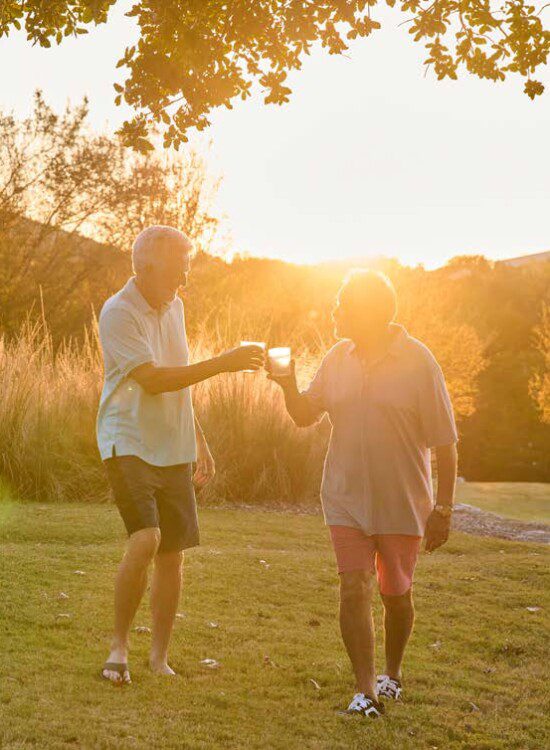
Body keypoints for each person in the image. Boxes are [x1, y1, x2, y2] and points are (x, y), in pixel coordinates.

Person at [268, 269, 458, 718]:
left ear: (369, 313)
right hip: (345, 495)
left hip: (402, 500)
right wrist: (288, 383)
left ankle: (392, 673)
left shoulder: (418, 361)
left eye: (343, 304)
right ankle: (365, 690)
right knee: (353, 587)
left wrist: (443, 508)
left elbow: (446, 441)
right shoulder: (338, 357)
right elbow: (303, 416)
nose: (335, 311)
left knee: (396, 595)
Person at [97, 225, 264, 685]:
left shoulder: (177, 307)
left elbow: (178, 377)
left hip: (174, 443)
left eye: (187, 271)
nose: (184, 281)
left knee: (172, 553)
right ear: (146, 268)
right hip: (127, 438)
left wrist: (199, 439)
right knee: (147, 537)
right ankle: (118, 647)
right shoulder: (119, 312)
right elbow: (152, 379)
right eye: (178, 271)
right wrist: (224, 363)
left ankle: (158, 658)